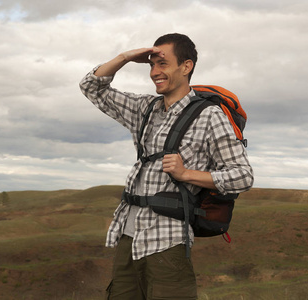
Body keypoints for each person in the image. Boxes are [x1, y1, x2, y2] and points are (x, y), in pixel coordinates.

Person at [80, 33, 253, 300]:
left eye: (163, 64)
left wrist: (187, 174)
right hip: (128, 235)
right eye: (151, 65)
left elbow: (242, 175)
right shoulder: (145, 108)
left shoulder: (209, 115)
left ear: (186, 67)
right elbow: (91, 87)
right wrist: (124, 58)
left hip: (168, 239)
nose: (154, 72)